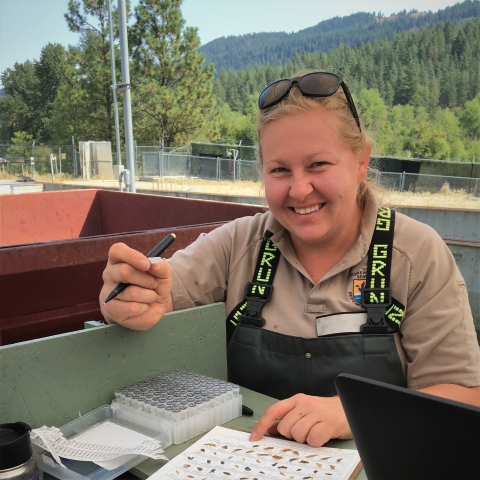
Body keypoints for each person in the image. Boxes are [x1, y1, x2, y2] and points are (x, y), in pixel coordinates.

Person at [100, 71, 480, 448]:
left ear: (361, 161)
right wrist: (128, 297)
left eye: (318, 165)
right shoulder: (237, 245)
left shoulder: (416, 254)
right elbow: (157, 292)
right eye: (280, 169)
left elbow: (464, 395)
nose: (299, 190)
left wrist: (354, 412)